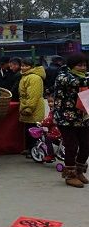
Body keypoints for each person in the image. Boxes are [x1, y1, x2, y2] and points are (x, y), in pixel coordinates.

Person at [52, 53, 89, 188]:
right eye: (79, 65)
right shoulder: (63, 76)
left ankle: (79, 171)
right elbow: (77, 82)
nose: (83, 68)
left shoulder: (85, 76)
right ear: (72, 65)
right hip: (66, 118)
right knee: (71, 146)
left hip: (83, 117)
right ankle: (70, 175)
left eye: (84, 65)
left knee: (86, 145)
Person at [18, 58, 46, 155]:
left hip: (33, 108)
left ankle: (36, 151)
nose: (23, 68)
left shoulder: (34, 77)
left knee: (34, 131)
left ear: (32, 67)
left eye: (26, 66)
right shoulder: (26, 76)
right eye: (22, 65)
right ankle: (30, 149)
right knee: (29, 130)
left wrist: (29, 108)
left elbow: (33, 95)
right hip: (28, 105)